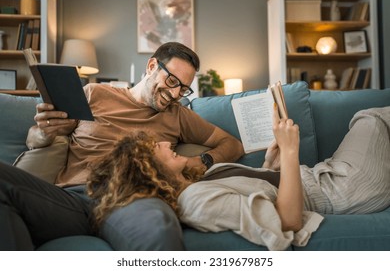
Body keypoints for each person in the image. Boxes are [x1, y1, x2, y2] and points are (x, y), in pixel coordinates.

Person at [0, 42, 244, 251]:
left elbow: (231, 144)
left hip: (131, 200)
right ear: (151, 67)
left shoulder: (179, 115)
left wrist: (198, 162)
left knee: (159, 228)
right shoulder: (93, 94)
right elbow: (36, 138)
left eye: (183, 88)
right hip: (72, 199)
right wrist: (44, 133)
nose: (175, 93)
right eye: (171, 80)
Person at [86, 105, 390, 251]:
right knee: (372, 117)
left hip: (324, 175)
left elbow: (264, 189)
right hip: (340, 189)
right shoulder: (196, 202)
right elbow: (288, 220)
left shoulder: (193, 183)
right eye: (156, 148)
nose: (166, 143)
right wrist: (290, 151)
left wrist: (272, 164)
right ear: (146, 170)